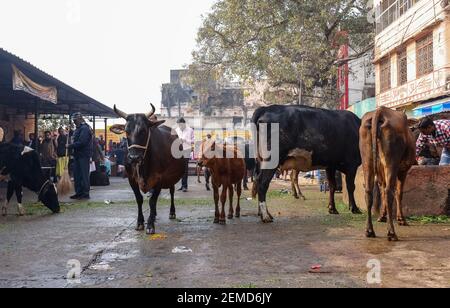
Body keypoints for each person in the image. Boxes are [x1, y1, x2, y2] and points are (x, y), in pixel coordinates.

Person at [67, 113, 93, 200]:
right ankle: (78, 192)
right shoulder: (77, 129)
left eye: (75, 120)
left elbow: (82, 142)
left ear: (80, 119)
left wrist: (70, 146)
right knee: (77, 175)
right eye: (73, 120)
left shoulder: (85, 128)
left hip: (83, 155)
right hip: (77, 155)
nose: (74, 122)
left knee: (83, 175)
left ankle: (85, 193)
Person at [175, 118, 194, 192]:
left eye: (181, 124)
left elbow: (193, 140)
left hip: (186, 150)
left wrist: (185, 140)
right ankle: (182, 185)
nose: (179, 126)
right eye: (178, 125)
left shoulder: (190, 130)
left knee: (185, 169)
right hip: (178, 151)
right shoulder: (177, 130)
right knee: (179, 169)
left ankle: (185, 186)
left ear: (184, 123)